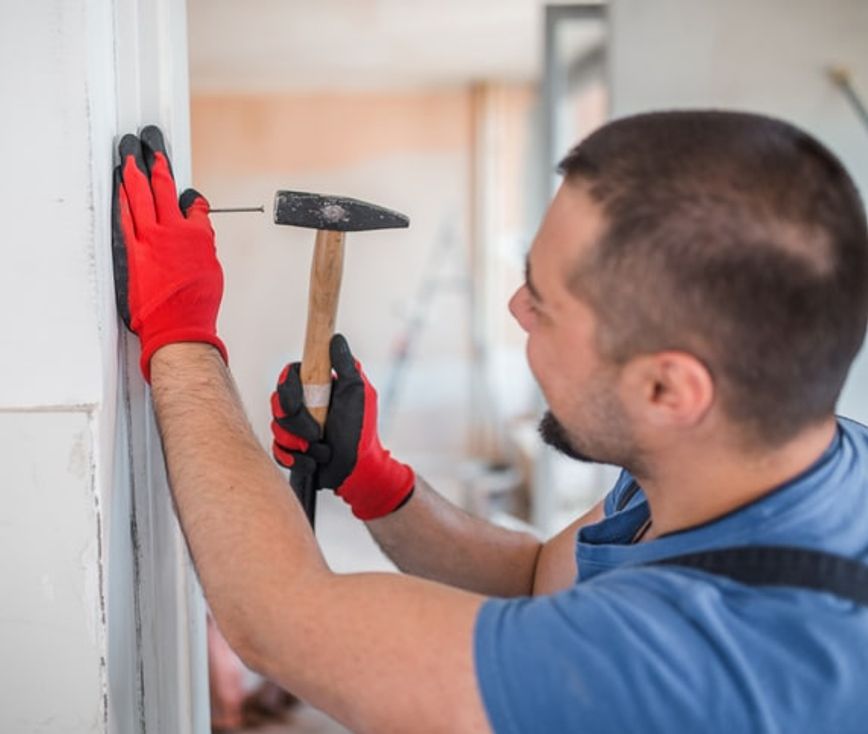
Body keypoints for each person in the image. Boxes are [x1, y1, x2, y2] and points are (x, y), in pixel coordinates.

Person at [111, 112, 868, 733]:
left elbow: (280, 622)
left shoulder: (703, 662)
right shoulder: (758, 458)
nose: (516, 308)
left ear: (668, 388)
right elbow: (541, 580)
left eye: (545, 302)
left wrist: (180, 335)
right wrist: (377, 482)